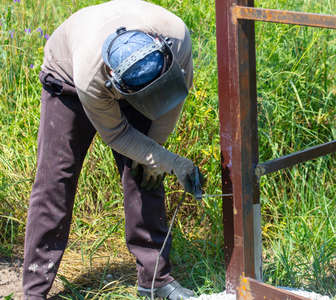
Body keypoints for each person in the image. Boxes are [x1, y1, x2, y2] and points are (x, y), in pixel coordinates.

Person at [22, 1, 202, 299]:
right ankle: (34, 291)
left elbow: (171, 102)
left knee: (145, 174)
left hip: (140, 73)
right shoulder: (90, 76)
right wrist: (169, 160)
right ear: (115, 82)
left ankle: (155, 280)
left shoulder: (177, 39)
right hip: (67, 79)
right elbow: (118, 134)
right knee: (55, 180)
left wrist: (158, 159)